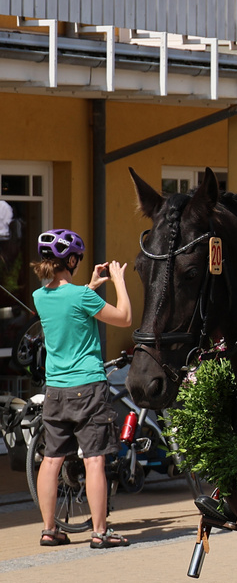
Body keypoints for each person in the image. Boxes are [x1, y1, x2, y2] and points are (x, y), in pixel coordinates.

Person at [31, 230, 134, 548]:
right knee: (94, 460)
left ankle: (49, 530)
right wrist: (118, 280)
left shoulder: (39, 297)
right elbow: (125, 318)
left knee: (51, 460)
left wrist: (91, 284)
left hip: (56, 391)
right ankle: (100, 533)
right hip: (88, 387)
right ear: (72, 260)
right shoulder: (81, 297)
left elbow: (70, 307)